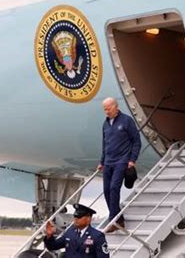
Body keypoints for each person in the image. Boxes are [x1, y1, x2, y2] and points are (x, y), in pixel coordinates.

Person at [97, 97, 141, 233]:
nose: (106, 112)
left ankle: (113, 220)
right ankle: (119, 218)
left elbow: (136, 141)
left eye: (108, 108)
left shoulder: (126, 121)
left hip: (122, 161)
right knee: (106, 190)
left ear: (115, 107)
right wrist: (102, 161)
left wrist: (132, 159)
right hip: (108, 162)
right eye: (104, 109)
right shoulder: (105, 124)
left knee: (114, 188)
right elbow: (105, 145)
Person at [44, 204, 109, 257]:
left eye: (79, 217)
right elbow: (52, 246)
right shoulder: (70, 233)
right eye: (75, 216)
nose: (76, 219)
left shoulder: (97, 236)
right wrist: (49, 236)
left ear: (88, 218)